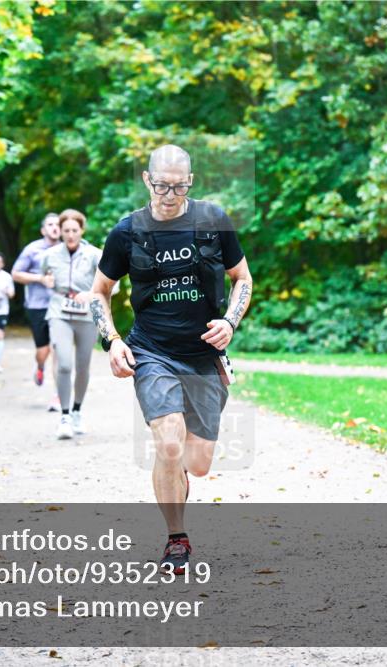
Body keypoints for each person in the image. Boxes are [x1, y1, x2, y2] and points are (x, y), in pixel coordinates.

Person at [89, 144, 253, 574]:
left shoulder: (213, 221)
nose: (169, 194)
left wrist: (231, 322)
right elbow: (99, 291)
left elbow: (242, 278)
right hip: (151, 350)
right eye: (161, 185)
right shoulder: (128, 232)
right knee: (168, 441)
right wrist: (112, 340)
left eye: (179, 187)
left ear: (191, 182)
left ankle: (176, 476)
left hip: (203, 355)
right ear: (147, 179)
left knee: (197, 465)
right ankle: (176, 539)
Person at [40, 209, 117, 440]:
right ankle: (63, 417)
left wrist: (91, 293)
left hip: (86, 314)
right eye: (66, 231)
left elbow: (114, 285)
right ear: (60, 232)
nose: (70, 235)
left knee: (82, 366)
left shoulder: (95, 254)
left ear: (82, 230)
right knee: (63, 364)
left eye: (74, 230)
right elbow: (45, 276)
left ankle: (76, 411)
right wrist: (46, 281)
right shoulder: (50, 255)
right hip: (59, 312)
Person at [12, 213, 62, 409]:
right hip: (37, 306)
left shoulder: (67, 249)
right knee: (44, 350)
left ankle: (59, 395)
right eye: (50, 224)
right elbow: (15, 274)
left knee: (60, 349)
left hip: (60, 307)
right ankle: (40, 365)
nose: (54, 227)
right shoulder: (32, 250)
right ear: (43, 230)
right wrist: (40, 279)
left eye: (58, 224)